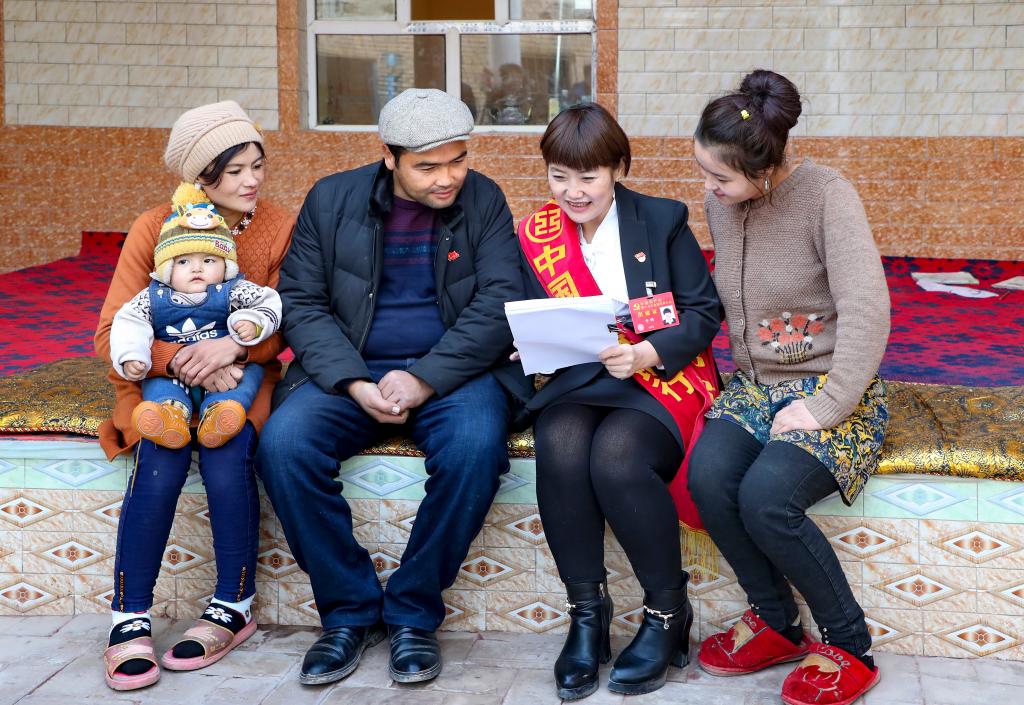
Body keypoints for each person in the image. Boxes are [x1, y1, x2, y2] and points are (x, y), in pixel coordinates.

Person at [256, 88, 528, 686]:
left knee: (475, 448)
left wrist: (425, 377)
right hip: (350, 369)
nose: (447, 178)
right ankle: (348, 612)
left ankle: (412, 612)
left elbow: (499, 302)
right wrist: (354, 381)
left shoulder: (483, 198)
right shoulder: (331, 199)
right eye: (428, 167)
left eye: (458, 160)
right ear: (389, 157)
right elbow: (301, 302)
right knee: (284, 445)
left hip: (453, 372)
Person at [687, 70, 890, 705]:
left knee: (767, 499)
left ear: (766, 171)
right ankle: (776, 623)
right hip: (755, 387)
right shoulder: (724, 204)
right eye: (703, 171)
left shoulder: (827, 196)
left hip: (834, 388)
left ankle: (850, 645)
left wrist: (826, 406)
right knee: (707, 478)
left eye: (721, 178)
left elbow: (868, 308)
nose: (710, 189)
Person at [517, 103, 721, 699]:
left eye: (589, 176)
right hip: (580, 379)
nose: (573, 192)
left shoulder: (660, 220)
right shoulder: (535, 235)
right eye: (559, 176)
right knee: (558, 444)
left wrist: (646, 353)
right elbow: (529, 314)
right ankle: (588, 614)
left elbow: (703, 312)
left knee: (616, 456)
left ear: (618, 170)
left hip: (657, 377)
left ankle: (666, 612)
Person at [94, 100, 295, 691]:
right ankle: (129, 617)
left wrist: (232, 350)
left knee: (227, 450)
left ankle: (233, 605)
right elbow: (112, 330)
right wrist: (185, 360)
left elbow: (288, 318)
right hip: (159, 382)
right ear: (200, 176)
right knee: (161, 452)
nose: (252, 181)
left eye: (257, 165)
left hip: (242, 379)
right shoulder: (153, 226)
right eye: (234, 171)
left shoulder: (279, 225)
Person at [109, 186, 282, 450]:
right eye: (183, 262)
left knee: (245, 380)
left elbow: (269, 302)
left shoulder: (234, 290)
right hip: (172, 373)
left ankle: (220, 416)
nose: (197, 268)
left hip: (227, 369)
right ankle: (169, 416)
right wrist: (132, 355)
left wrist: (253, 322)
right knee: (158, 386)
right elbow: (128, 323)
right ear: (166, 269)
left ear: (226, 266)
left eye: (209, 260)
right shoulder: (152, 297)